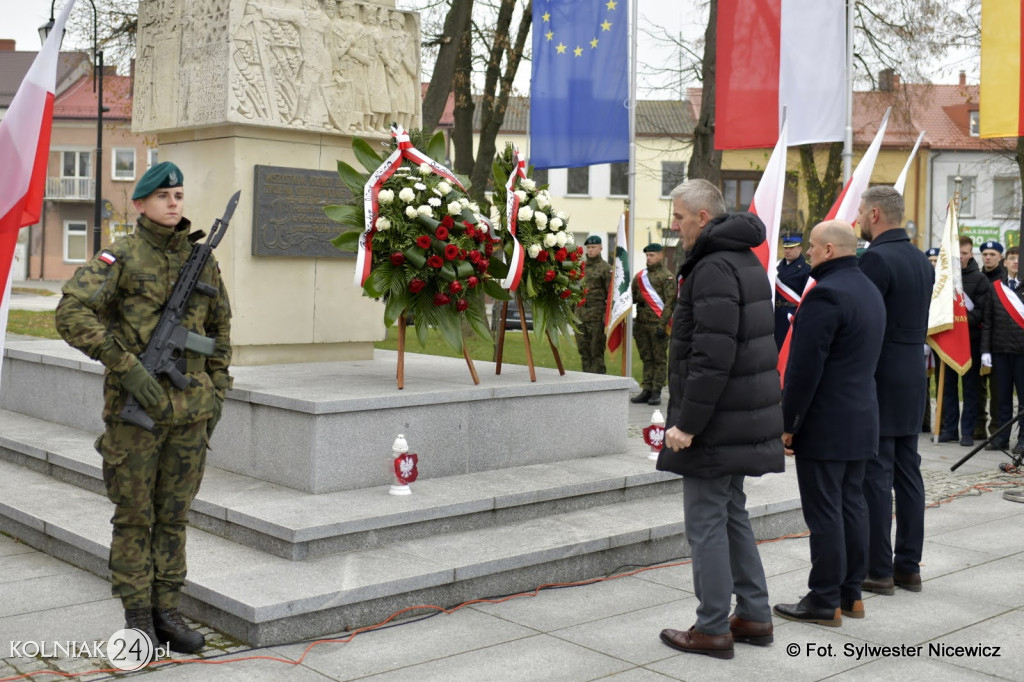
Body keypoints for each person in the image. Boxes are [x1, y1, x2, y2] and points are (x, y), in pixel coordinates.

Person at [55, 162, 232, 654]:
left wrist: (217, 392)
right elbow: (69, 313)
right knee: (135, 517)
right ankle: (137, 616)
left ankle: (167, 611)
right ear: (140, 204)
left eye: (179, 194)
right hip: (136, 414)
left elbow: (220, 334)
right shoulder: (122, 256)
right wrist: (126, 366)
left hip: (190, 414)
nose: (174, 202)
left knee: (174, 517)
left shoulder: (203, 260)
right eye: (163, 196)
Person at [657, 179, 785, 660]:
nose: (674, 226)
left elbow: (712, 356)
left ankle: (711, 626)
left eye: (678, 217)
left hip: (716, 419)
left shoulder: (712, 266)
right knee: (731, 514)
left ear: (702, 218)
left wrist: (687, 424)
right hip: (738, 414)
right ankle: (753, 613)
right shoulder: (742, 257)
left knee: (706, 521)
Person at [774, 221, 885, 626]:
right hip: (861, 416)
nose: (809, 256)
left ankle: (823, 599)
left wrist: (789, 423)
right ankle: (850, 594)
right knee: (852, 505)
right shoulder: (869, 290)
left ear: (831, 250)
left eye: (814, 249)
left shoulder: (826, 296)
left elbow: (805, 370)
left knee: (824, 513)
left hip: (826, 422)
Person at [856, 185, 934, 597]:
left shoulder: (876, 259)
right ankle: (908, 566)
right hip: (912, 371)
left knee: (876, 472)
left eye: (860, 212)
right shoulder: (921, 259)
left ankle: (878, 569)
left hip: (882, 371)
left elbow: (867, 322)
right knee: (909, 472)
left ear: (874, 215)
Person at [937, 236, 992, 447]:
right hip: (949, 340)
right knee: (949, 387)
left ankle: (967, 431)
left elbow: (980, 312)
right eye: (957, 253)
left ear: (970, 255)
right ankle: (950, 429)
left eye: (964, 253)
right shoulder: (944, 278)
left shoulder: (979, 280)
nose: (960, 257)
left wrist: (960, 322)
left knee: (970, 389)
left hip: (971, 342)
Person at [982, 250, 1024, 452]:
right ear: (1005, 262)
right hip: (1000, 350)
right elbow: (988, 321)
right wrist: (985, 351)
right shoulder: (995, 288)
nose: (1016, 262)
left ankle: (1023, 439)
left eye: (1019, 259)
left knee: (1023, 398)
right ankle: (1001, 437)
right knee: (1002, 397)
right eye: (1012, 259)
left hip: (1022, 352)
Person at [630, 243, 676, 406]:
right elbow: (632, 298)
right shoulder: (640, 276)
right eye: (647, 256)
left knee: (659, 358)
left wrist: (662, 325)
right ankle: (647, 389)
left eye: (651, 255)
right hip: (642, 324)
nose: (648, 258)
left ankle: (656, 391)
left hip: (658, 324)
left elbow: (670, 303)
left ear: (660, 256)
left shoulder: (667, 276)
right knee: (646, 358)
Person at [976, 240, 1006, 439]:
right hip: (977, 339)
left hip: (997, 340)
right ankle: (979, 427)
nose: (988, 257)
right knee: (977, 386)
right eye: (985, 254)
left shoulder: (1006, 280)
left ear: (1000, 257)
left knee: (997, 389)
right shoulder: (978, 278)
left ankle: (996, 430)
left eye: (992, 254)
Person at [576, 235, 612, 374]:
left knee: (596, 353)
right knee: (584, 352)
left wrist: (605, 318)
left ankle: (599, 384)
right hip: (581, 316)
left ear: (600, 248)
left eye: (593, 247)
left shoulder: (606, 269)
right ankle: (586, 383)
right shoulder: (580, 267)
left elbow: (610, 296)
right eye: (589, 247)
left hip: (597, 317)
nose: (590, 250)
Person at [774, 232, 810, 348]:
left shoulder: (807, 270)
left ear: (800, 248)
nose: (787, 251)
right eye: (785, 248)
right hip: (774, 313)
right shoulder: (776, 267)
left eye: (791, 248)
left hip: (792, 314)